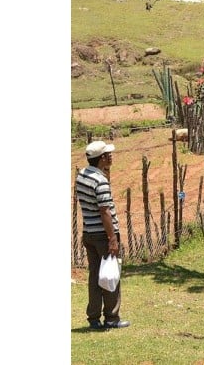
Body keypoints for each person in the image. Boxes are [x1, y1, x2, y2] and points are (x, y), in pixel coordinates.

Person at [76, 141, 131, 330]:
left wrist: (106, 172)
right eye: (108, 154)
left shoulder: (82, 176)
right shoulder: (100, 182)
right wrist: (112, 239)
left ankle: (93, 318)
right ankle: (111, 318)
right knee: (110, 275)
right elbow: (105, 211)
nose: (111, 156)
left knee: (94, 276)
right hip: (103, 234)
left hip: (89, 233)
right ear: (101, 159)